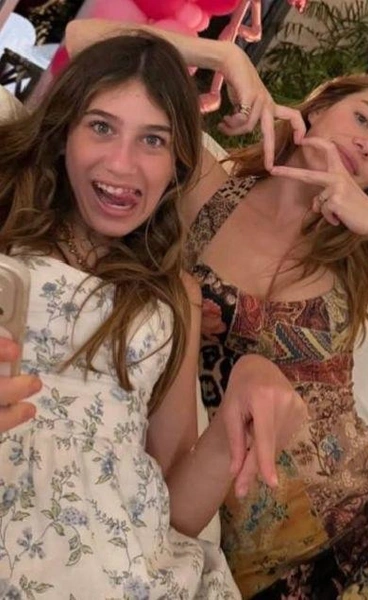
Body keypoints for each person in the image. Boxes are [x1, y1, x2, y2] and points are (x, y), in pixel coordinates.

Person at [64, 18, 368, 600]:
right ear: (317, 110)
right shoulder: (208, 191)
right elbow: (83, 40)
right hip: (252, 541)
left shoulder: (357, 255)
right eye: (363, 119)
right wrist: (227, 58)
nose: (366, 146)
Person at [0, 31, 307, 598]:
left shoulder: (174, 297)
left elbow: (174, 508)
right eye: (101, 127)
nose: (123, 164)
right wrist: (224, 55)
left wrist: (241, 399)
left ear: (177, 165)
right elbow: (82, 35)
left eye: (153, 140)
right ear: (63, 134)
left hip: (130, 564)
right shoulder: (7, 222)